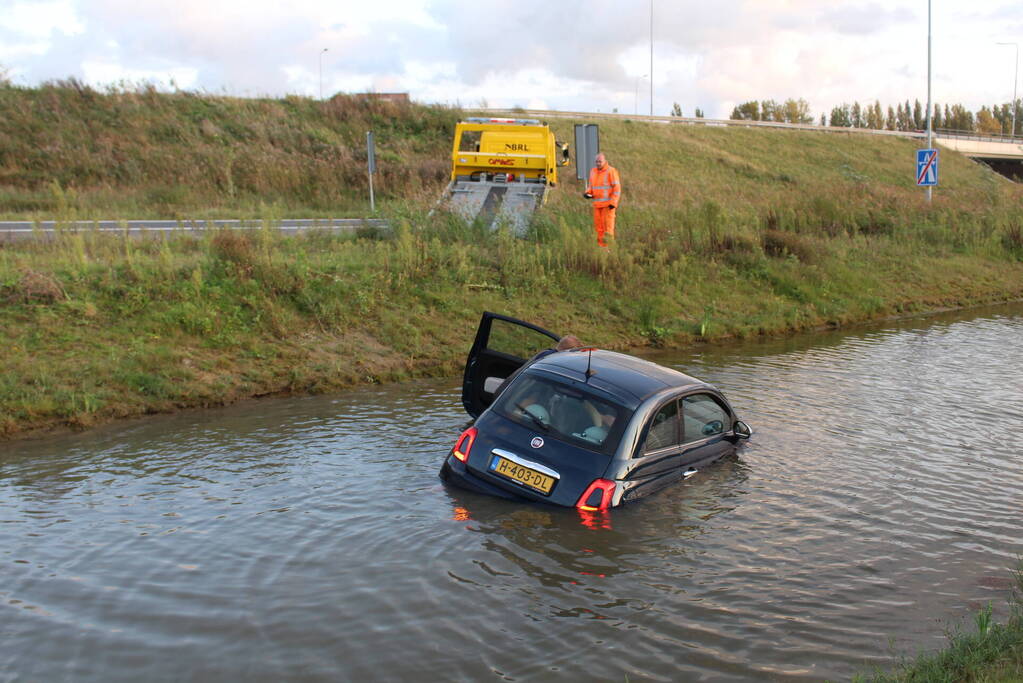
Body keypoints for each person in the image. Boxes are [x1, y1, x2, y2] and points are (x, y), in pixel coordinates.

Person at [492, 335, 582, 399]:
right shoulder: (554, 362)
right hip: (516, 399)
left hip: (505, 395)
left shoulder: (545, 354)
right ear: (570, 350)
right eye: (575, 353)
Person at [583, 153, 622, 247]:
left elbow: (617, 188)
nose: (598, 163)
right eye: (596, 161)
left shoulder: (611, 171)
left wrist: (613, 202)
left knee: (608, 229)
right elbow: (591, 187)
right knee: (599, 229)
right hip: (597, 205)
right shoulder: (593, 171)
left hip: (608, 206)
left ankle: (609, 250)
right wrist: (588, 194)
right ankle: (601, 249)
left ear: (605, 161)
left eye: (600, 161)